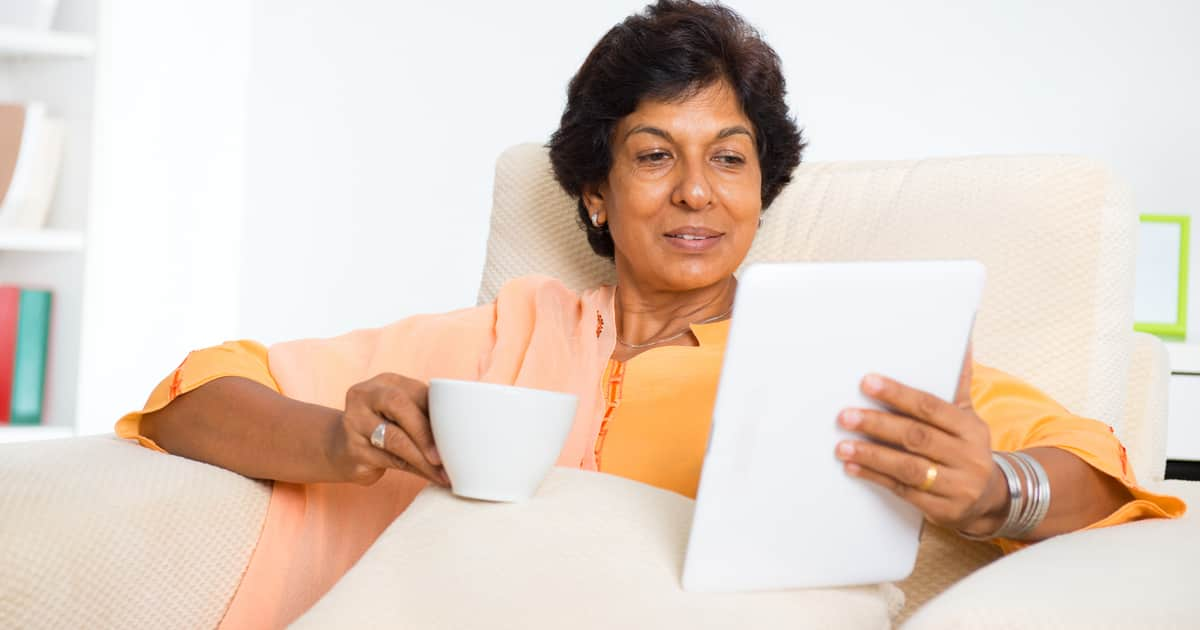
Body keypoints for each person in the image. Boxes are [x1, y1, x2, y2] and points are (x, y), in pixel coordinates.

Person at [117, 1, 1183, 628]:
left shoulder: (841, 349)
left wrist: (1001, 489)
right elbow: (189, 398)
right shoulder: (506, 335)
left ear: (763, 189)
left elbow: (1108, 478)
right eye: (653, 157)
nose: (695, 193)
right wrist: (338, 440)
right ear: (593, 190)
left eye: (729, 158)